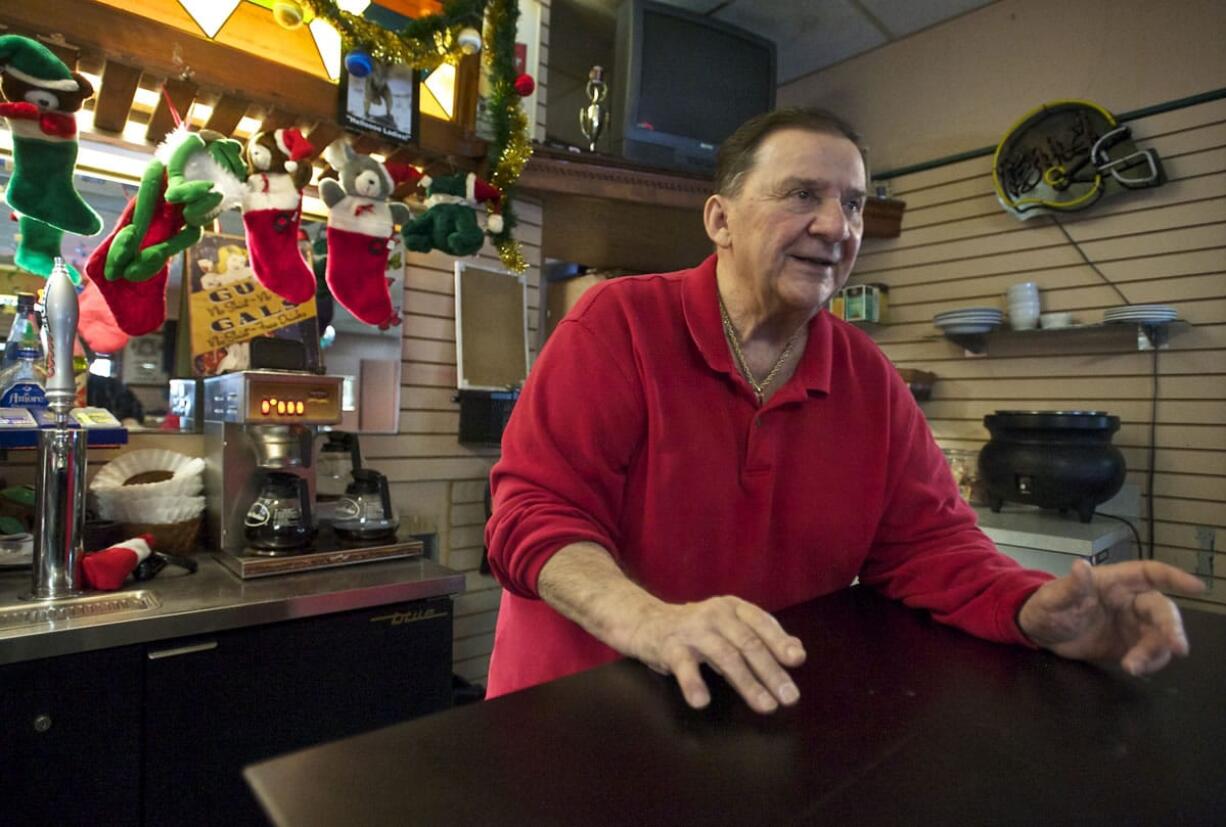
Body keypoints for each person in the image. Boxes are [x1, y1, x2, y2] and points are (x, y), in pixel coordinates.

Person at [484, 108, 1205, 714]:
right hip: (575, 716)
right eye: (802, 194)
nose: (837, 226)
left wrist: (1037, 609)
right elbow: (533, 515)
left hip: (752, 721)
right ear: (721, 219)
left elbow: (932, 546)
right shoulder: (620, 324)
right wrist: (650, 620)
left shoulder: (867, 377)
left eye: (854, 203)